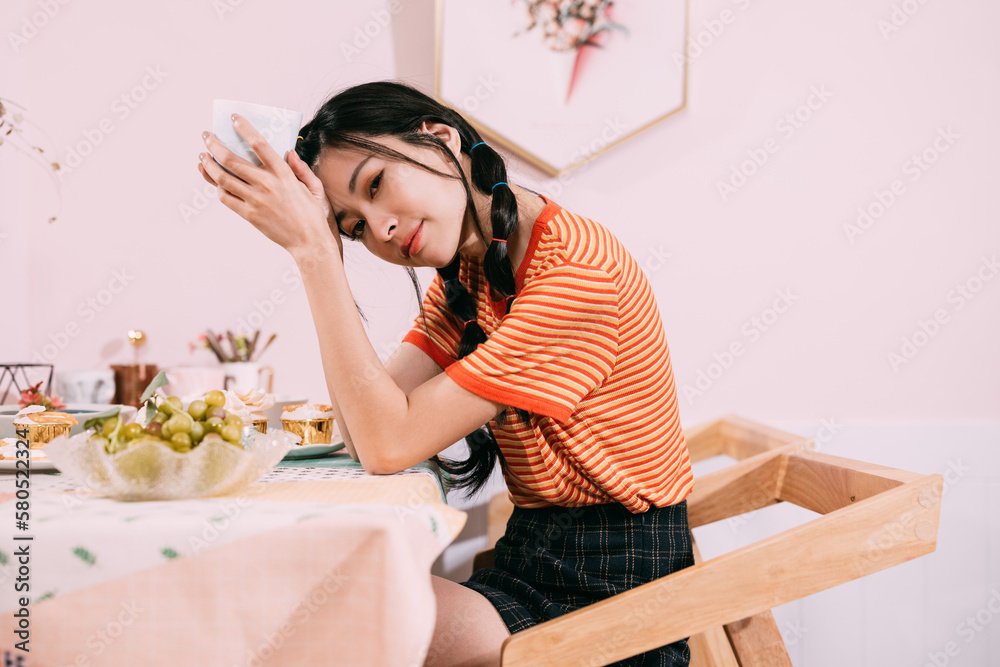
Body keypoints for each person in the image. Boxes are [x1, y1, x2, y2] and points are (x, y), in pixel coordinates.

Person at [197, 80, 695, 667]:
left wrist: (315, 256)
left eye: (376, 185)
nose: (379, 229)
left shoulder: (575, 278)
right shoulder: (475, 267)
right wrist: (319, 249)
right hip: (536, 560)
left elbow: (386, 443)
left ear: (438, 139)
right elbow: (367, 432)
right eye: (353, 226)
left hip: (613, 600)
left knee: (317, 609)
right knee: (296, 597)